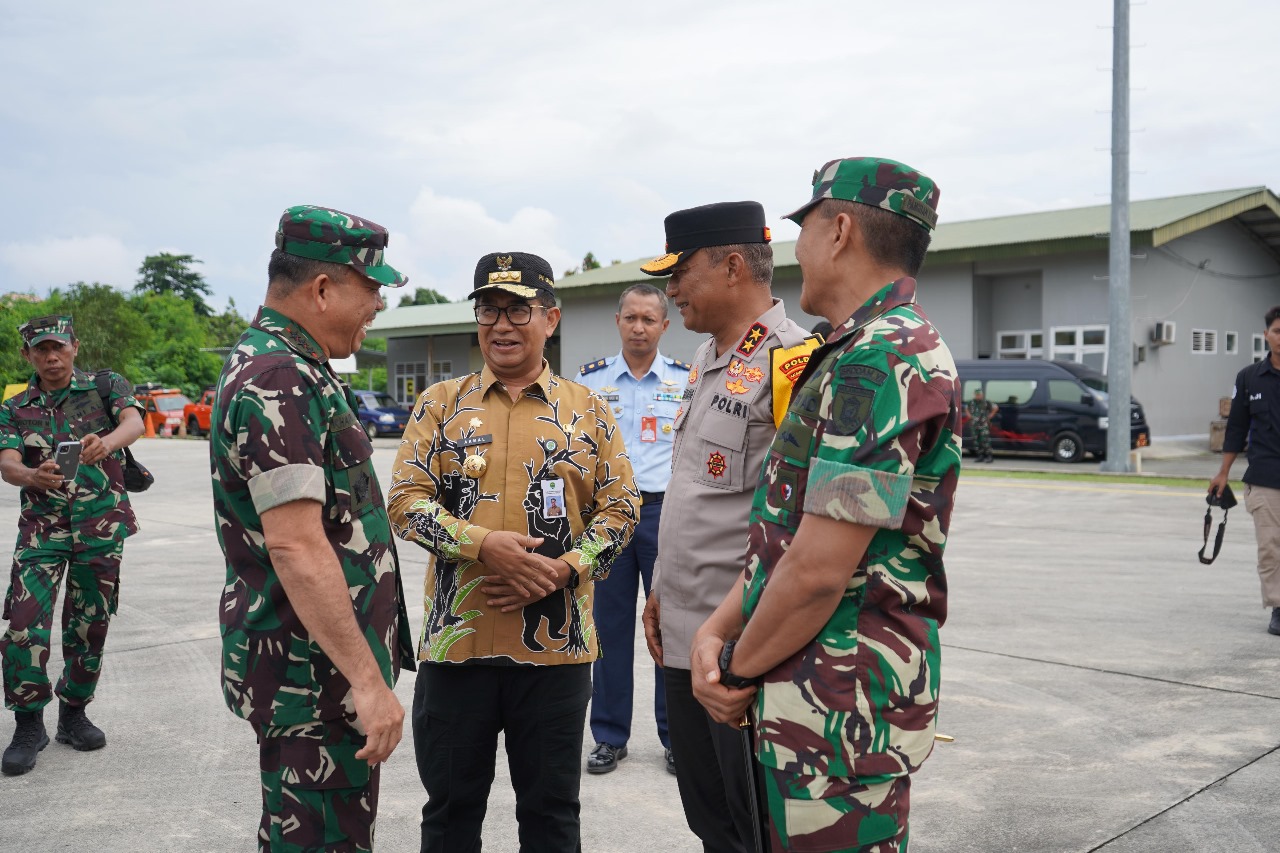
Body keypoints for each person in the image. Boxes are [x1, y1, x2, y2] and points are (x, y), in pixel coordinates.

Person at [690, 157, 962, 852]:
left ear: (839, 229)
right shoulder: (851, 350)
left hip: (839, 713)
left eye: (802, 228)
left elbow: (818, 569)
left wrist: (735, 671)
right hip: (812, 702)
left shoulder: (883, 358)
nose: (795, 248)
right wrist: (715, 631)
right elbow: (783, 535)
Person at [387, 251, 638, 853]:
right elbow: (403, 500)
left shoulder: (589, 409)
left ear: (550, 318)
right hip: (458, 647)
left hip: (556, 654)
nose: (501, 324)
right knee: (450, 813)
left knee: (552, 816)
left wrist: (563, 569)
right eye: (489, 309)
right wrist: (483, 546)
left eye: (518, 310)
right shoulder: (440, 404)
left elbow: (622, 509)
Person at [210, 205, 416, 851]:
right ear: (323, 287)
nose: (378, 304)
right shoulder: (279, 378)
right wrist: (366, 679)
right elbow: (296, 544)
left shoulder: (291, 365)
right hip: (313, 680)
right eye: (372, 287)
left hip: (311, 673)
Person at [638, 201, 819, 852]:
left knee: (755, 828)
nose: (671, 291)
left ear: (734, 265)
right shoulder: (706, 360)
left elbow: (801, 529)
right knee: (710, 820)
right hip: (683, 642)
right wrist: (659, 585)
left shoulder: (793, 362)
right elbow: (694, 490)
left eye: (679, 273)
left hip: (742, 652)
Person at [0, 315, 144, 776]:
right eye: (40, 349)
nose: (51, 356)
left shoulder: (106, 386)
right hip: (42, 530)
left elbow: (134, 422)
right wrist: (31, 475)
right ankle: (28, 724)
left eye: (58, 347)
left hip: (100, 526)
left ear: (74, 347)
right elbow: (7, 464)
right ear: (28, 355)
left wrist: (107, 442)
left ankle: (73, 714)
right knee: (23, 625)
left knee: (90, 626)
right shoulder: (14, 406)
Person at [577, 282, 689, 776]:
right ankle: (609, 736)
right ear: (618, 322)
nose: (639, 327)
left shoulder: (687, 379)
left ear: (665, 326)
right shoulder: (591, 383)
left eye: (649, 319)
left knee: (671, 626)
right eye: (631, 318)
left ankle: (677, 737)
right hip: (611, 515)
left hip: (667, 514)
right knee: (610, 628)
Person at [1211, 305, 1280, 636]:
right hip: (1265, 478)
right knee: (1270, 546)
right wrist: (1223, 473)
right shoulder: (1248, 378)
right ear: (1266, 335)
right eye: (1278, 331)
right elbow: (1236, 428)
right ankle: (1278, 607)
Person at [966, 389, 999, 462]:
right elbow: (966, 408)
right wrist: (969, 416)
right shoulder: (971, 402)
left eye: (979, 395)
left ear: (982, 395)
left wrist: (990, 416)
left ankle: (989, 456)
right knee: (976, 441)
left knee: (985, 440)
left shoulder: (986, 402)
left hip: (983, 424)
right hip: (975, 425)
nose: (978, 396)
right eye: (977, 395)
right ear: (975, 395)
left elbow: (996, 408)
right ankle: (980, 456)